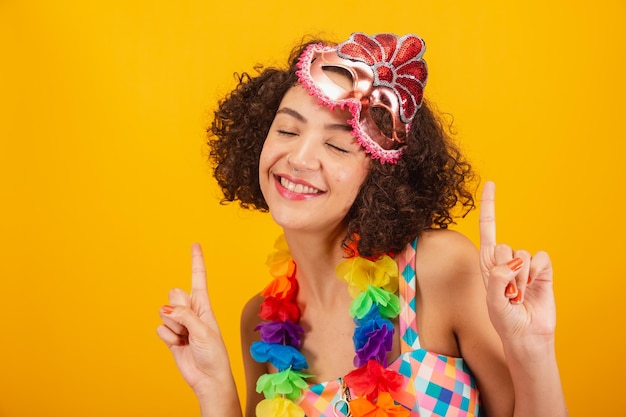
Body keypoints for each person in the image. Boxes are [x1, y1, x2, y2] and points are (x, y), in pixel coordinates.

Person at [157, 32, 568, 417]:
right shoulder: (261, 325)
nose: (299, 159)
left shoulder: (441, 269)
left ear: (379, 176)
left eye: (336, 145)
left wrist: (533, 350)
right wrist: (214, 390)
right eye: (286, 129)